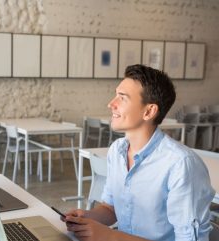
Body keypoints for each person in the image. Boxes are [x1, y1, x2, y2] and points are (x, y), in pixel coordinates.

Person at [63, 64, 215, 241]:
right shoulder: (117, 151)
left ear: (149, 111)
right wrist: (86, 216)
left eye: (122, 98)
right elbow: (111, 209)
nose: (111, 104)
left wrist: (110, 236)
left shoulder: (181, 164)